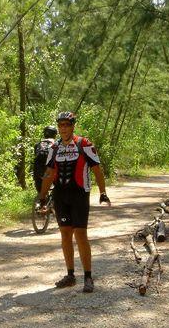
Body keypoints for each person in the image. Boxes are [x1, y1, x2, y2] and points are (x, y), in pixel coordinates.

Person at [38, 111, 111, 293]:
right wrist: (42, 197)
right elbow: (49, 173)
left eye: (67, 125)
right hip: (61, 196)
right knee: (65, 234)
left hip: (79, 194)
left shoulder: (84, 144)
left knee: (80, 234)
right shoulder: (54, 148)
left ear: (73, 126)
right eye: (60, 125)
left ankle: (88, 276)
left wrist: (103, 192)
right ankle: (70, 275)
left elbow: (97, 169)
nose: (63, 128)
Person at [33, 125, 58, 193]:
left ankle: (40, 199)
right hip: (52, 168)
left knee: (40, 191)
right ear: (55, 135)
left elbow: (36, 156)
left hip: (38, 170)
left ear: (44, 134)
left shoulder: (37, 144)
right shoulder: (57, 144)